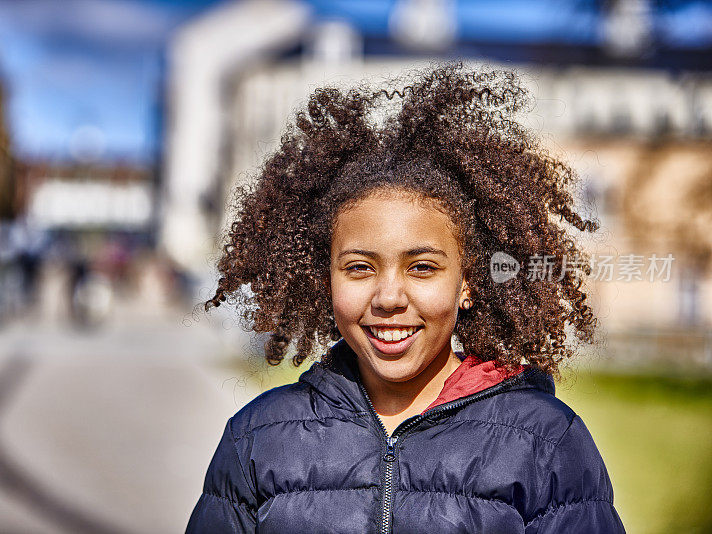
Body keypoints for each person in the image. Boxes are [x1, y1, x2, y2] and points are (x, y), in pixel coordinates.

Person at [186, 64, 626, 533]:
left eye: (422, 267)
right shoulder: (256, 439)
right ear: (324, 278)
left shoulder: (546, 442)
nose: (389, 297)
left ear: (468, 282)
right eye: (359, 267)